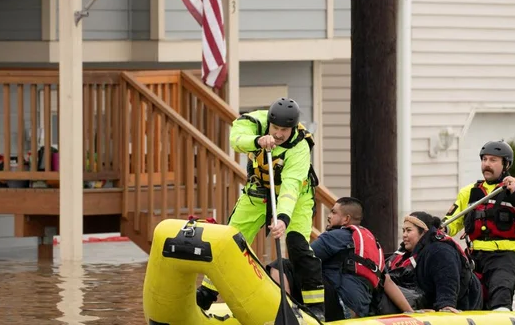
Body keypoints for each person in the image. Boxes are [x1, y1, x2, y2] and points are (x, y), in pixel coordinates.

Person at [196, 97, 325, 319]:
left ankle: (315, 309)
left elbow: (291, 186)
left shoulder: (300, 147)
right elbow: (236, 139)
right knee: (229, 241)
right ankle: (207, 293)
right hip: (258, 192)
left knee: (297, 246)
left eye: (284, 130)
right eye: (275, 128)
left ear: (293, 128)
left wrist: (283, 218)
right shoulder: (254, 121)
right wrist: (257, 141)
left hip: (297, 198)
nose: (279, 134)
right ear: (269, 123)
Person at [268, 197, 414, 320]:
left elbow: (303, 261)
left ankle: (286, 312)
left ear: (346, 219)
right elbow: (387, 282)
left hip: (337, 306)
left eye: (333, 212)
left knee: (282, 265)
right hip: (357, 312)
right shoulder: (372, 244)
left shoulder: (334, 236)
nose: (329, 216)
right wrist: (410, 311)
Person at [443, 140, 515, 311]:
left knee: (500, 294)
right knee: (464, 297)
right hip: (475, 257)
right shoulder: (469, 192)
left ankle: (502, 313)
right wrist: (441, 230)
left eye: (493, 160)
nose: (487, 164)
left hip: (507, 255)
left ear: (506, 164)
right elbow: (452, 224)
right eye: (484, 159)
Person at [380, 211, 483, 314]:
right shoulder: (405, 254)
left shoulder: (439, 251)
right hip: (428, 301)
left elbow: (447, 277)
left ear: (424, 232)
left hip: (465, 303)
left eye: (408, 230)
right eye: (403, 231)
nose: (404, 235)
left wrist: (446, 304)